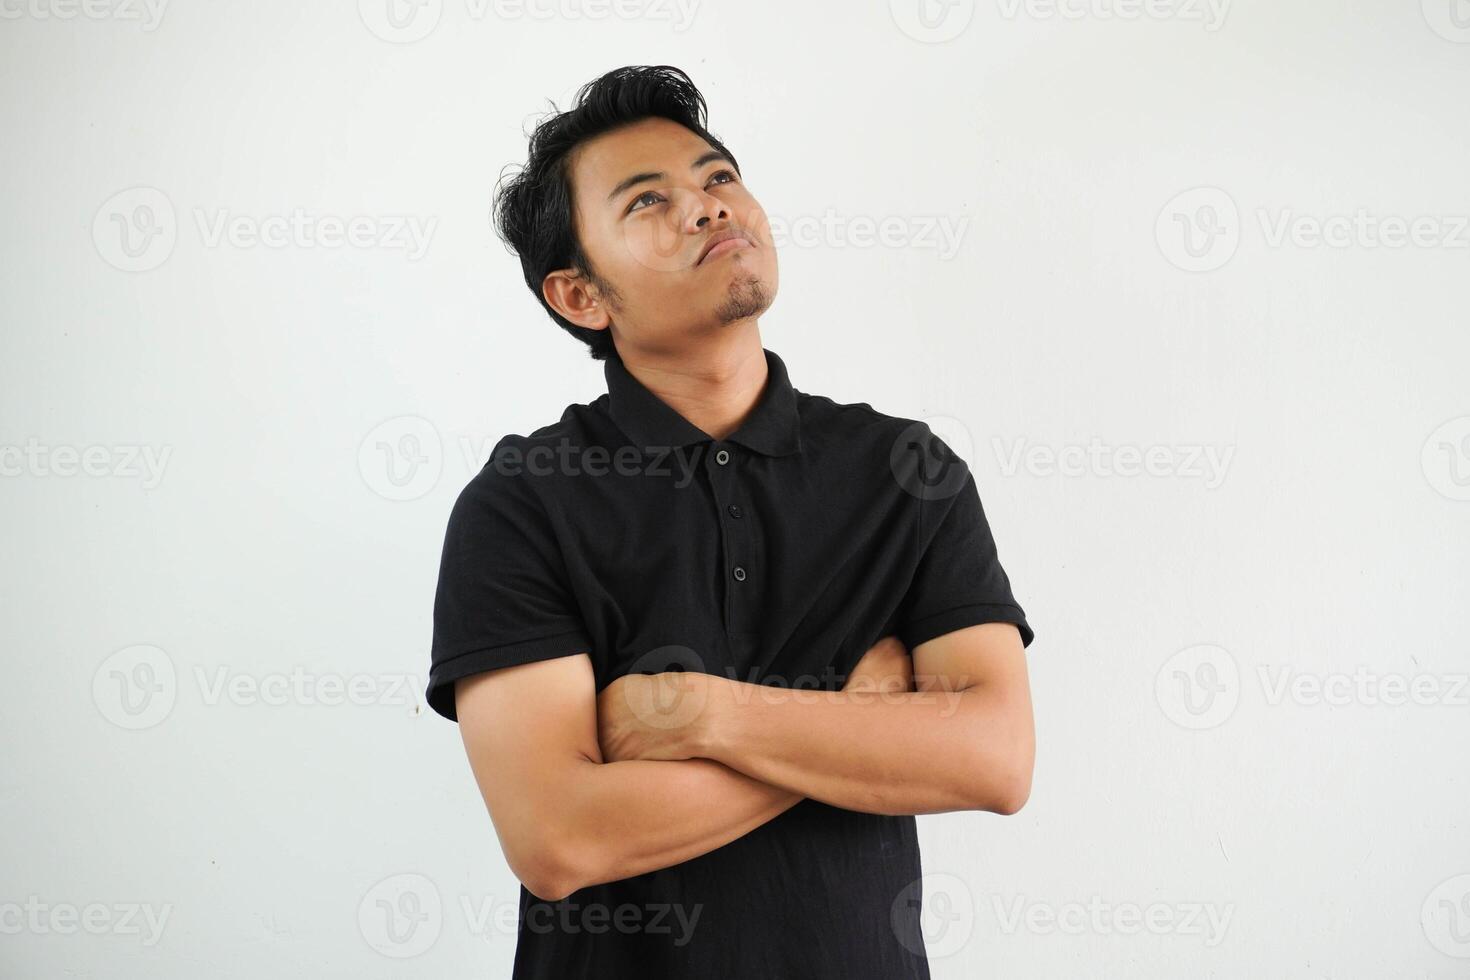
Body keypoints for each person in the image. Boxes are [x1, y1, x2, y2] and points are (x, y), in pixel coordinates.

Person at [426, 64, 1036, 979]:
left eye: (717, 178)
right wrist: (862, 714)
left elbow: (994, 760)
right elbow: (559, 840)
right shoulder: (523, 500)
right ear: (580, 296)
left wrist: (703, 716)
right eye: (647, 202)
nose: (709, 208)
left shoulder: (905, 470)